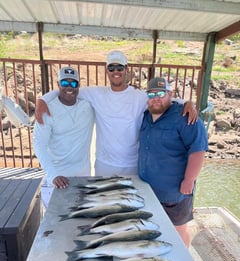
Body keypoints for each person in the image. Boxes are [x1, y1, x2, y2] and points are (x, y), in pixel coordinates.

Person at [35, 50, 197, 176]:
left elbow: (163, 100)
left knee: (129, 213)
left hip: (132, 165)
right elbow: (67, 90)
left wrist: (188, 103)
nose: (116, 71)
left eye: (119, 67)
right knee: (104, 211)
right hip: (104, 165)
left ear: (127, 69)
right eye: (111, 67)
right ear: (107, 71)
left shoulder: (139, 96)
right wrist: (42, 100)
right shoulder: (96, 94)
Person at [138, 77, 208, 248]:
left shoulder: (186, 117)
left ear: (170, 94)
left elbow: (198, 150)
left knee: (179, 229)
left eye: (161, 93)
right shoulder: (147, 115)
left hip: (174, 192)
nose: (156, 98)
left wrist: (189, 180)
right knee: (152, 227)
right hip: (149, 189)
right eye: (152, 93)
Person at [33, 66, 95, 208]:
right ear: (58, 85)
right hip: (57, 179)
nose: (69, 87)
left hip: (83, 176)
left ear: (78, 86)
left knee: (82, 224)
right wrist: (53, 175)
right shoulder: (47, 109)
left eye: (73, 83)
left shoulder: (88, 106)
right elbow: (39, 144)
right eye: (64, 83)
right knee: (55, 225)